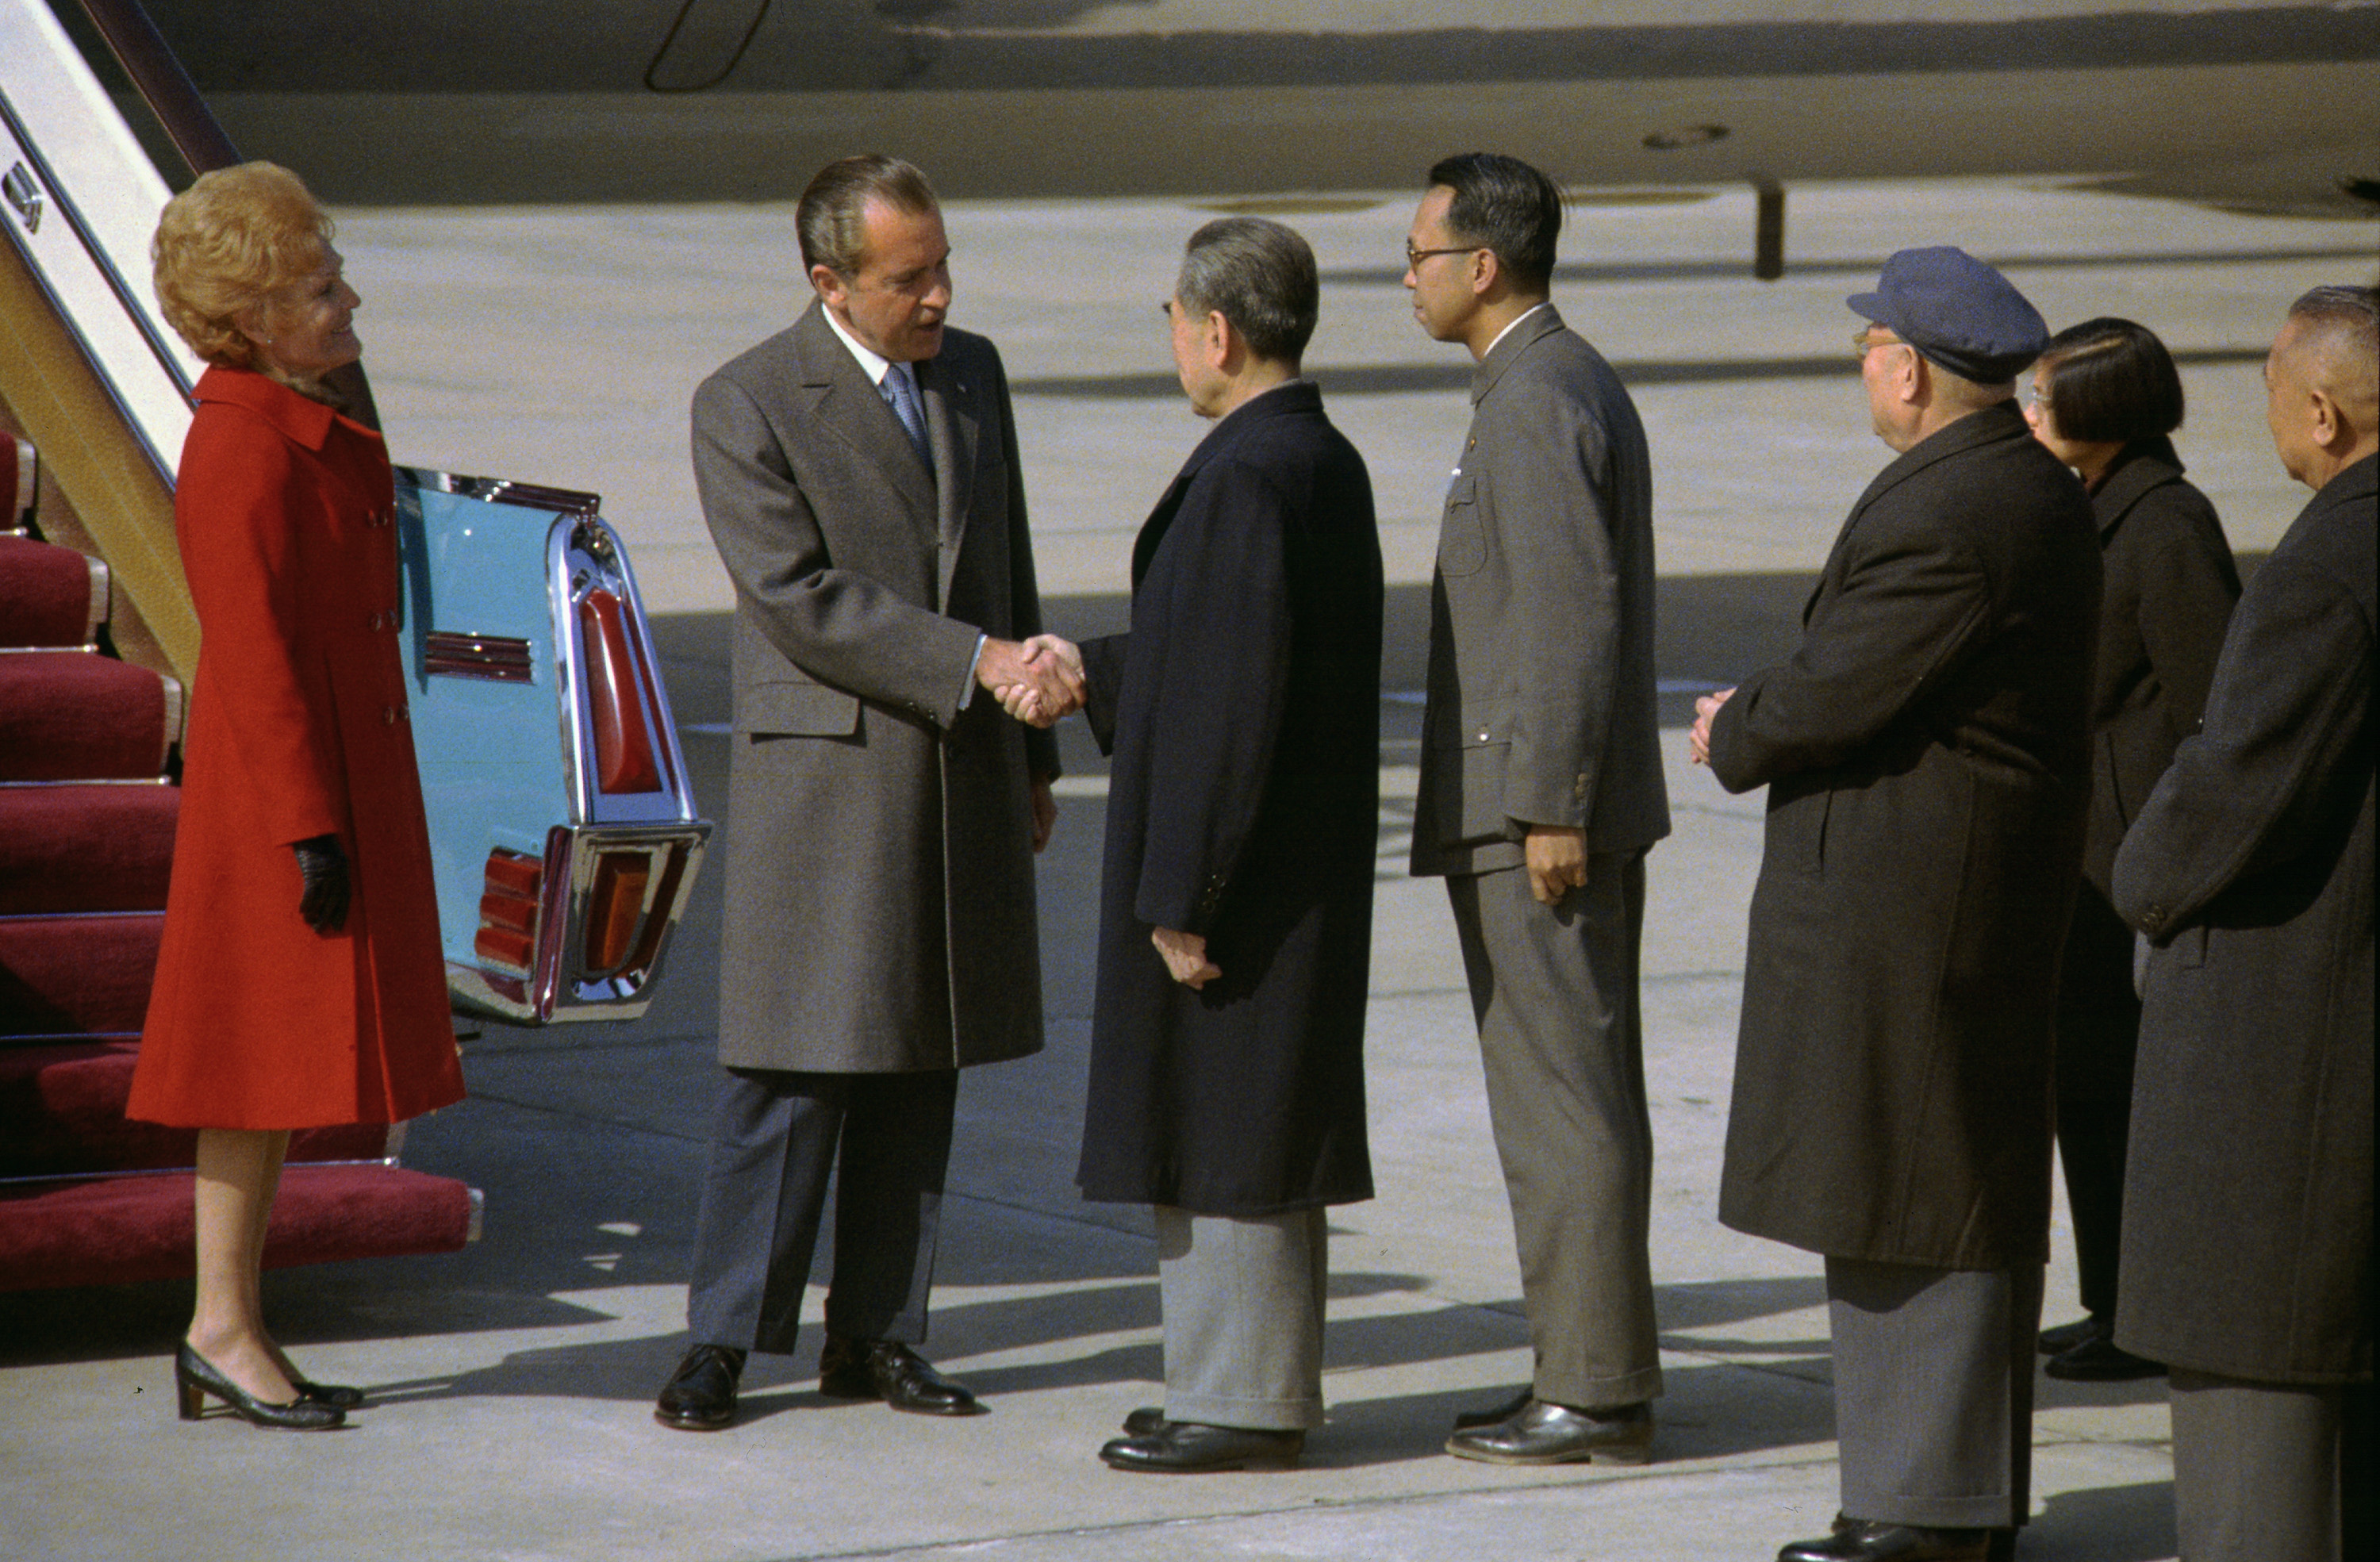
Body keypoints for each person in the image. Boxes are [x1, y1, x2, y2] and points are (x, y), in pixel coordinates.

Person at [654, 154, 1081, 1432]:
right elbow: (796, 595)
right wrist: (974, 662)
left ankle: (880, 1330)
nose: (938, 296)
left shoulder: (972, 373)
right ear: (829, 280)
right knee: (794, 1068)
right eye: (910, 278)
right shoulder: (747, 401)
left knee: (920, 1054)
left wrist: (1034, 755)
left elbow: (1006, 562)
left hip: (958, 762)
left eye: (944, 268)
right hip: (833, 778)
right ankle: (725, 1337)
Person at [1691, 247, 2099, 1562]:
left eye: (1872, 345)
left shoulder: (1958, 508)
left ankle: (1927, 1508)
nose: (1863, 363)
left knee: (1917, 1186)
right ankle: (1940, 1498)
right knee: (1921, 1178)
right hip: (1938, 895)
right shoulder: (2005, 482)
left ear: (1911, 370)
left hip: (1924, 909)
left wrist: (1736, 723)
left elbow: (1840, 684)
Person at [131, 160, 466, 1430]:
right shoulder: (239, 443)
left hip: (325, 780)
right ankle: (219, 1325)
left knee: (266, 1073)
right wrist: (307, 826)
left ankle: (229, 1323)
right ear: (257, 318)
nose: (349, 302)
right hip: (283, 800)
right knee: (247, 1068)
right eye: (322, 289)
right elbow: (253, 651)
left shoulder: (289, 423)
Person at [1054, 218, 1383, 1475]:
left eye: (1176, 319)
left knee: (1234, 1127)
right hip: (1286, 863)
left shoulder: (1248, 473)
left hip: (1246, 879)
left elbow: (1233, 702)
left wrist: (1184, 892)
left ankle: (1244, 1401)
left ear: (1218, 330)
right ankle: (1223, 1381)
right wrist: (1093, 669)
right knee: (1232, 1121)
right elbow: (1214, 649)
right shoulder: (1314, 455)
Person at [1400, 152, 1670, 1466]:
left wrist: (1551, 803)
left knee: (1563, 1101)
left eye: (1419, 256)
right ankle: (1589, 1366)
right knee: (1575, 1093)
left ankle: (1594, 1388)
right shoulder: (1551, 382)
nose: (1408, 278)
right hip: (1538, 806)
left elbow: (1570, 611)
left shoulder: (1535, 399)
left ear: (1483, 264)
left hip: (1536, 821)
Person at [2110, 283, 2375, 1562]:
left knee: (2255, 1452)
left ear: (2322, 413)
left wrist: (2142, 882)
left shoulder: (2328, 566)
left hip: (2288, 1057)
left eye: (2272, 386)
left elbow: (2235, 783)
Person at [2021, 317, 2239, 1384]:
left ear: (2103, 412)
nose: (2029, 412)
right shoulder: (2094, 505)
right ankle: (2113, 1300)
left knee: (2127, 1099)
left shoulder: (2166, 526)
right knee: (2088, 1092)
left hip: (2134, 866)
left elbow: (2218, 711)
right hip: (2085, 864)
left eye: (2045, 396)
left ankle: (2144, 1314)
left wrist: (2169, 852)